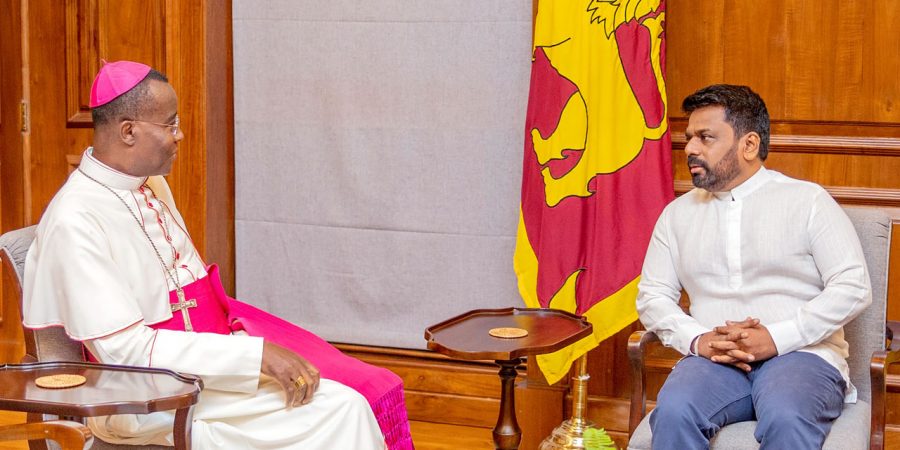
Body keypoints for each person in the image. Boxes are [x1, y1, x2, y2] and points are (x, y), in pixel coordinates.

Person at [23, 60, 413, 449]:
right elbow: (127, 352)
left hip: (191, 373)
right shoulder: (75, 219)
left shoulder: (149, 184)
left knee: (344, 401)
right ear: (128, 131)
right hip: (142, 397)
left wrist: (244, 349)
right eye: (170, 124)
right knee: (339, 411)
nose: (180, 135)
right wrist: (253, 356)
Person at [636, 84, 871, 449]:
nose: (690, 148)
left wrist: (776, 337)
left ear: (748, 145)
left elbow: (853, 286)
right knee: (674, 412)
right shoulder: (675, 215)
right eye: (689, 137)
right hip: (713, 362)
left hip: (802, 355)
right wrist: (699, 340)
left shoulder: (807, 201)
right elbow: (652, 296)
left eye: (705, 137)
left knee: (786, 417)